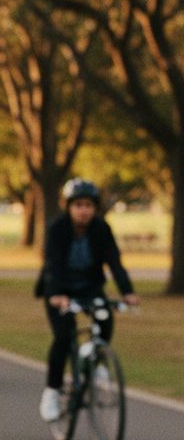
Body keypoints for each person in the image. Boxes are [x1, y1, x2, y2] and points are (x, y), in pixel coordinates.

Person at [36, 179, 139, 422]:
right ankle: (52, 391)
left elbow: (114, 262)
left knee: (105, 318)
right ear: (69, 207)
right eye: (78, 205)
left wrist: (128, 292)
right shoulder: (58, 228)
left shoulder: (101, 228)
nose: (84, 210)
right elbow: (53, 264)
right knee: (63, 336)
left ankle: (98, 362)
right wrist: (57, 295)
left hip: (90, 287)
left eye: (89, 205)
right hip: (59, 289)